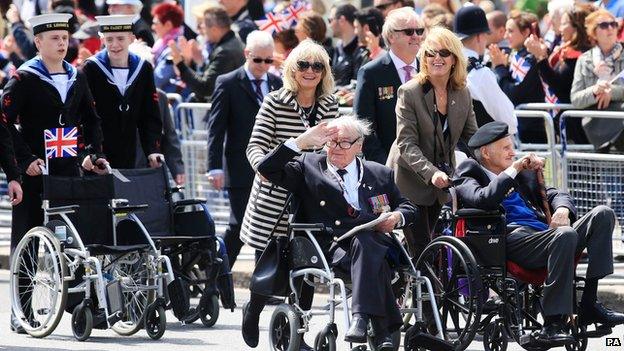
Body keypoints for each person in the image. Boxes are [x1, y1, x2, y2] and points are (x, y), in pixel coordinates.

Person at [242, 116, 417, 351]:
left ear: (359, 145)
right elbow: (265, 169)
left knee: (369, 244)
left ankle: (365, 320)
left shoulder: (379, 173)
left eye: (344, 142)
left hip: (375, 246)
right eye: (331, 142)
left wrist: (396, 217)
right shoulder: (309, 165)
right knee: (370, 249)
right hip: (332, 248)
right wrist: (302, 141)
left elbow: (408, 207)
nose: (336, 148)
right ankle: (378, 327)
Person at [454, 121, 624, 344]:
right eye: (505, 148)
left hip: (546, 235)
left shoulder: (523, 176)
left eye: (512, 146)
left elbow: (556, 194)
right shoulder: (469, 171)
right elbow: (483, 199)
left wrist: (562, 210)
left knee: (603, 214)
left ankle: (589, 303)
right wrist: (513, 169)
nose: (513, 152)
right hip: (511, 239)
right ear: (485, 152)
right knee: (565, 235)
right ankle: (553, 322)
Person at [2, 13, 108, 333]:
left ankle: (81, 304)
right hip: (35, 170)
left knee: (76, 236)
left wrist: (92, 154)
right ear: (38, 42)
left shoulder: (77, 76)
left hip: (67, 167)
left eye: (64, 38)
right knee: (29, 240)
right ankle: (22, 310)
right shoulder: (25, 78)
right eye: (54, 39)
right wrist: (21, 163)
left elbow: (91, 120)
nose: (62, 44)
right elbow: (4, 122)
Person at [240, 39, 339, 263]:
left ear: (324, 73)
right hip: (274, 196)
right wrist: (262, 169)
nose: (310, 71)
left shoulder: (330, 104)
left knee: (308, 269)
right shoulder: (274, 101)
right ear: (292, 69)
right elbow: (255, 146)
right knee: (267, 276)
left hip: (311, 198)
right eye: (303, 65)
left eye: (317, 66)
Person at [386, 26, 478, 259]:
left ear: (455, 59)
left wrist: (498, 160)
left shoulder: (462, 92)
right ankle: (427, 295)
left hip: (441, 185)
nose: (437, 58)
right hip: (409, 180)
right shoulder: (410, 91)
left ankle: (408, 286)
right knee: (423, 248)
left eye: (444, 53)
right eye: (430, 53)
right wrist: (432, 173)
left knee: (431, 245)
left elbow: (472, 138)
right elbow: (406, 144)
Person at [206, 30, 283, 267]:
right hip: (239, 167)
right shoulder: (228, 83)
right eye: (257, 59)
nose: (263, 65)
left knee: (268, 225)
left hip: (271, 167)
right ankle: (217, 275)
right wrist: (215, 167)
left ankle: (262, 283)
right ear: (246, 54)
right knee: (239, 224)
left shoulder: (277, 83)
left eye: (268, 60)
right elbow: (216, 128)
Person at [82, 15, 163, 170]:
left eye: (120, 38)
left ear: (131, 39)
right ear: (102, 40)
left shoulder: (143, 68)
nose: (115, 45)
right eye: (109, 39)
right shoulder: (91, 68)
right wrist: (92, 152)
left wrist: (153, 149)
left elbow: (150, 114)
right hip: (99, 153)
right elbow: (84, 115)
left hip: (129, 150)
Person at [354, 7, 424, 164]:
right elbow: (363, 126)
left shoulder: (428, 69)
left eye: (419, 31)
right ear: (391, 36)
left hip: (428, 167)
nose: (416, 36)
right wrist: (384, 165)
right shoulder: (371, 72)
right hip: (389, 165)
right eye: (409, 32)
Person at [525, 3, 594, 144]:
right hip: (568, 124)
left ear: (577, 26)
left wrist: (541, 57)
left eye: (564, 24)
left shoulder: (581, 54)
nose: (560, 28)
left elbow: (559, 87)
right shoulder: (568, 49)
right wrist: (543, 54)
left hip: (579, 128)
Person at [454, 5, 517, 131]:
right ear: (479, 36)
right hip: (475, 146)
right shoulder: (480, 73)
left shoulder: (446, 64)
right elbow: (509, 120)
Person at [571, 8, 624, 152]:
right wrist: (595, 91)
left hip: (621, 125)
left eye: (613, 24)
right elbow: (575, 99)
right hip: (597, 129)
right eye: (604, 25)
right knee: (605, 173)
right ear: (594, 32)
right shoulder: (584, 60)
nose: (610, 28)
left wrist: (610, 92)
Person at [490, 11, 546, 143]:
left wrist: (500, 67)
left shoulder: (531, 58)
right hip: (520, 125)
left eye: (510, 31)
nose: (505, 35)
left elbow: (513, 93)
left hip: (533, 129)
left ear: (526, 32)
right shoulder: (516, 55)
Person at [170, 5, 245, 102]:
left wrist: (180, 64)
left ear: (214, 29)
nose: (203, 31)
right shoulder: (231, 43)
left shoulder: (225, 52)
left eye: (204, 27)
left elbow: (205, 88)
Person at [151, 2, 187, 96]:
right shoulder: (162, 44)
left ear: (168, 25)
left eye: (155, 23)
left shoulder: (175, 47)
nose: (153, 27)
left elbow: (158, 79)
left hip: (172, 103)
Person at [329, 2, 368, 87]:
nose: (329, 25)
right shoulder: (338, 48)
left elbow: (358, 86)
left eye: (331, 20)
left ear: (342, 20)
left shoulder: (363, 51)